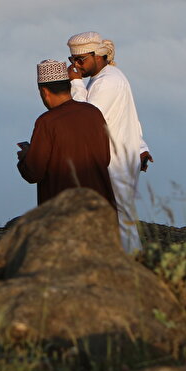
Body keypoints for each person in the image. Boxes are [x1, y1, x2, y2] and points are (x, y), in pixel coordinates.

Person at [66, 31, 151, 252]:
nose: (76, 66)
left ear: (98, 56)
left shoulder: (107, 83)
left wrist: (76, 85)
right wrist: (141, 147)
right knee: (121, 216)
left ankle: (130, 266)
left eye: (80, 60)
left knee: (119, 217)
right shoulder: (110, 77)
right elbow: (130, 118)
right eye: (72, 60)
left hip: (115, 161)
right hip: (122, 156)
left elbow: (86, 119)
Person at [16, 59, 117, 212]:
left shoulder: (47, 122)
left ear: (44, 92)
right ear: (68, 86)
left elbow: (33, 172)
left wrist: (25, 156)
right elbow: (106, 159)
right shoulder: (94, 113)